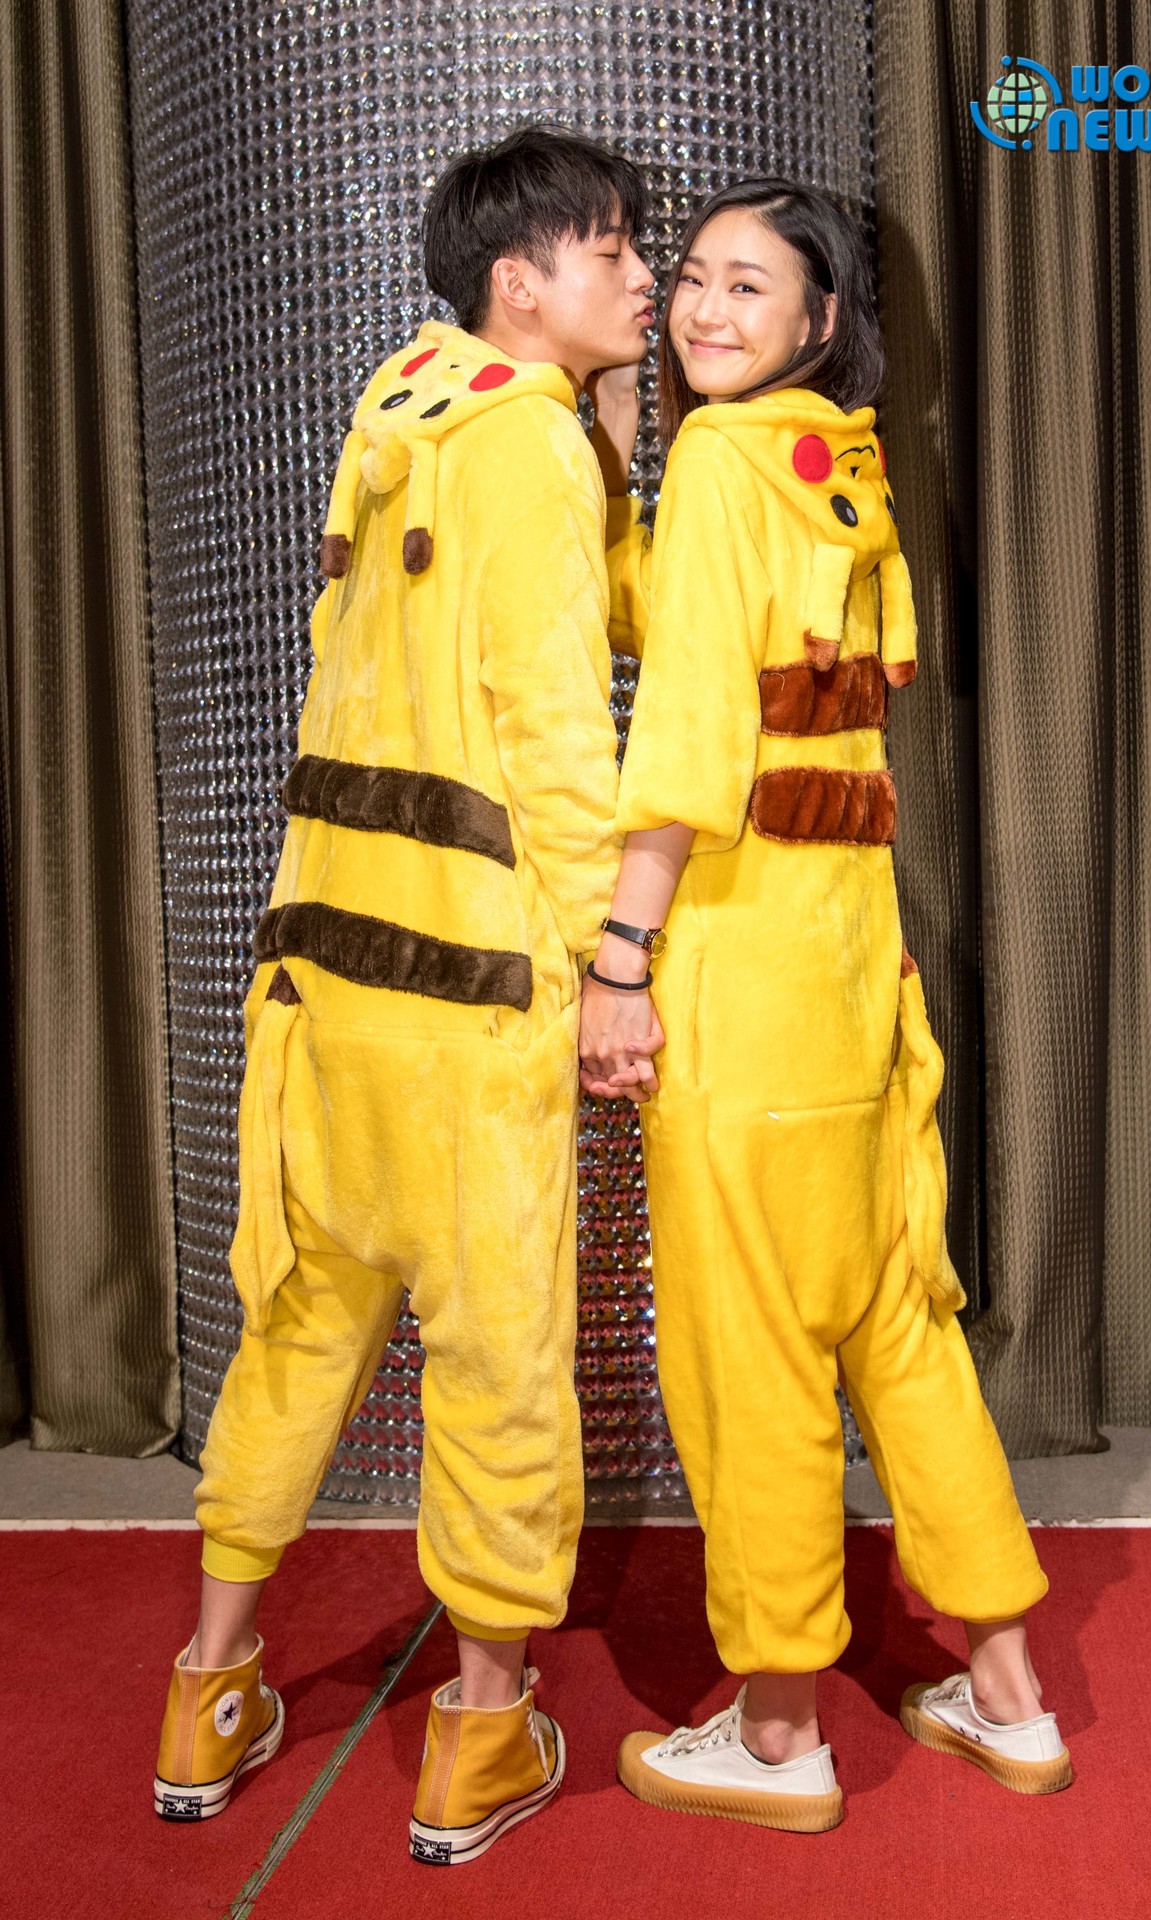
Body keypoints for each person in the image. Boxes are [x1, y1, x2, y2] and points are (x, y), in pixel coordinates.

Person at [153, 125, 655, 1867]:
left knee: (300, 1331)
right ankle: (479, 1735)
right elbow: (557, 734)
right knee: (501, 1361)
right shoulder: (524, 448)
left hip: (321, 980)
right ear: (523, 282)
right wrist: (615, 958)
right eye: (613, 251)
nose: (644, 277)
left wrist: (601, 434)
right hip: (470, 989)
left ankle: (208, 1694)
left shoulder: (400, 417)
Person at [579, 178, 1071, 1833]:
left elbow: (690, 730)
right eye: (693, 278)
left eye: (749, 285)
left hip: (744, 975)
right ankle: (1009, 1695)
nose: (704, 307)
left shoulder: (724, 460)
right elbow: (740, 648)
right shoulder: (836, 466)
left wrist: (622, 958)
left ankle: (780, 1730)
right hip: (860, 974)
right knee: (897, 1326)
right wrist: (616, 470)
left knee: (754, 1353)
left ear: (821, 317)